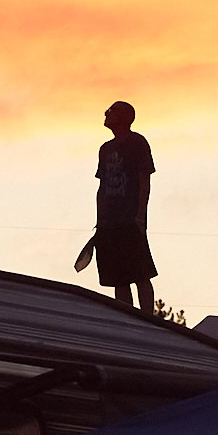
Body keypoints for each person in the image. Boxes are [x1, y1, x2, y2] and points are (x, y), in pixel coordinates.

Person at [94, 98, 156, 313]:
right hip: (108, 222)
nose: (106, 114)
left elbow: (144, 181)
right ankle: (127, 319)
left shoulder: (137, 143)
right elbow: (102, 185)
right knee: (118, 277)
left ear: (123, 117)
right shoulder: (105, 149)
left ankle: (148, 318)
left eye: (111, 111)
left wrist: (140, 216)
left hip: (129, 219)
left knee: (141, 273)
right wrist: (99, 219)